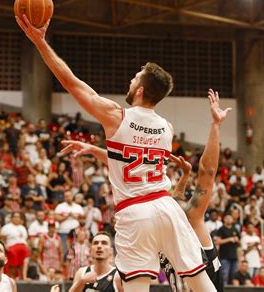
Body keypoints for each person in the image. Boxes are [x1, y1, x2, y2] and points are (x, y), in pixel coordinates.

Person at [17, 14, 215, 292]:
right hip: (167, 207)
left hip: (135, 213)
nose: (130, 82)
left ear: (140, 89)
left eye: (134, 79)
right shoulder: (167, 128)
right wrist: (98, 150)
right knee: (200, 282)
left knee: (136, 287)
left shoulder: (116, 116)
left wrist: (40, 42)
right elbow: (135, 157)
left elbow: (71, 83)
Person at [60, 89, 230, 292]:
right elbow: (134, 167)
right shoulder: (162, 224)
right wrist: (95, 150)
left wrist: (216, 125)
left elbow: (208, 172)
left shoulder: (192, 219)